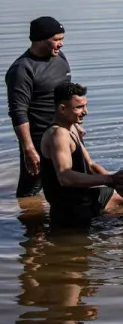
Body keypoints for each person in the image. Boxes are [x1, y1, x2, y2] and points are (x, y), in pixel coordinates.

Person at [38, 83, 123, 226]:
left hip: (83, 196)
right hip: (68, 208)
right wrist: (109, 179)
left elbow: (90, 164)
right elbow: (65, 177)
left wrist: (117, 183)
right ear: (62, 109)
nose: (86, 111)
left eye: (85, 105)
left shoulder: (71, 127)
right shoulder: (58, 134)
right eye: (79, 107)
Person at [6, 16, 72, 198]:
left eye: (62, 39)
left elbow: (66, 97)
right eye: (57, 39)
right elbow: (18, 112)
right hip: (38, 140)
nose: (61, 44)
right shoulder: (22, 70)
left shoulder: (60, 59)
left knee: (70, 182)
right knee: (30, 191)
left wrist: (75, 125)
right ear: (40, 39)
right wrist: (28, 149)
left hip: (64, 133)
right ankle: (28, 221)